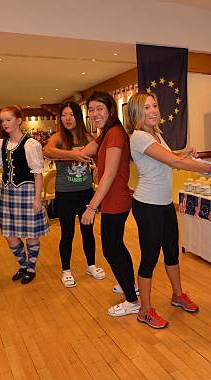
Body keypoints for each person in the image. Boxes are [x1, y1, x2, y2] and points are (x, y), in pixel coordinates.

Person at [126, 92, 211, 328]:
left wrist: (181, 152)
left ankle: (177, 295)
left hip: (163, 204)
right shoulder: (140, 137)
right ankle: (145, 310)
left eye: (155, 105)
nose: (153, 110)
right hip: (148, 205)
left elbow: (167, 158)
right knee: (150, 258)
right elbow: (173, 163)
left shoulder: (155, 134)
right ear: (136, 112)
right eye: (147, 107)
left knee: (172, 252)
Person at [77, 92, 138, 317]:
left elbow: (110, 173)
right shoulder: (106, 134)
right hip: (113, 198)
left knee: (111, 250)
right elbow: (85, 151)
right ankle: (130, 286)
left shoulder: (114, 134)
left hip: (115, 199)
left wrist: (91, 207)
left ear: (110, 110)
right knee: (117, 247)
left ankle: (132, 300)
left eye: (99, 109)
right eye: (91, 110)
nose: (94, 114)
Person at [43, 102, 104, 288]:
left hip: (86, 191)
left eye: (71, 114)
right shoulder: (58, 137)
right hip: (65, 193)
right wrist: (72, 154)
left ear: (78, 116)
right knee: (67, 233)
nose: (67, 118)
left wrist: (96, 169)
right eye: (64, 115)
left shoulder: (87, 137)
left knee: (88, 231)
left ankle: (91, 265)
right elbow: (46, 151)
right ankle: (66, 269)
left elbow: (99, 157)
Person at [0, 105, 49, 284]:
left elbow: (38, 173)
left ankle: (31, 268)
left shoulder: (31, 144)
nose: (4, 123)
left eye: (8, 119)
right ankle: (22, 264)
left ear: (19, 120)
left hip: (28, 191)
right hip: (7, 193)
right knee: (9, 234)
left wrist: (38, 199)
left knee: (31, 233)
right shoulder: (0, 144)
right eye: (2, 120)